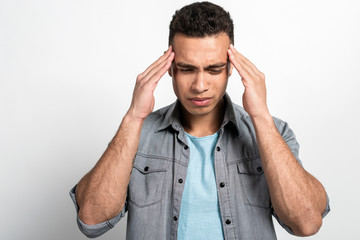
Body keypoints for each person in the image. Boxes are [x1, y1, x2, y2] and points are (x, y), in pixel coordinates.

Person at [70, 2, 330, 239]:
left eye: (214, 69)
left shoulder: (274, 132)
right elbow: (92, 220)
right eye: (187, 69)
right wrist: (133, 118)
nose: (200, 85)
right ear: (169, 66)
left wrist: (260, 116)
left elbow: (306, 223)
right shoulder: (137, 134)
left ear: (231, 67)